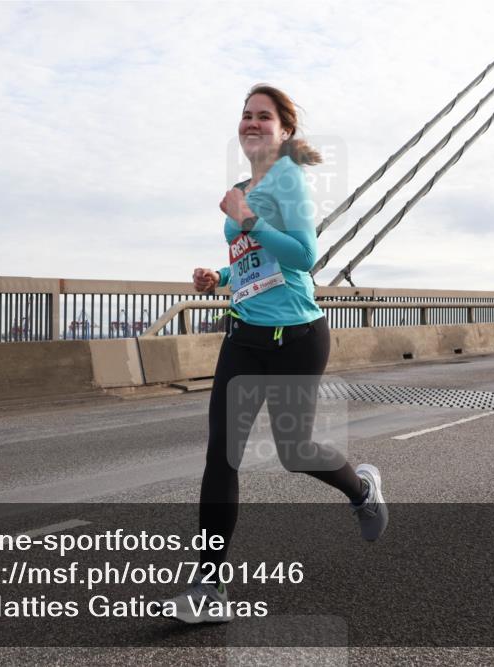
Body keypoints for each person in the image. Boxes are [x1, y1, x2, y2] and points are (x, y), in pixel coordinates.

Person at [174, 85, 387, 624]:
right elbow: (255, 261)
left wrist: (248, 219)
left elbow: (304, 256)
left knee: (295, 452)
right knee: (222, 456)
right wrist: (219, 275)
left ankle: (362, 490)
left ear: (284, 130)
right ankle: (210, 588)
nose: (252, 122)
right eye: (246, 115)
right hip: (244, 335)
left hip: (296, 337)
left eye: (263, 116)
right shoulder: (240, 188)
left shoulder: (288, 179)